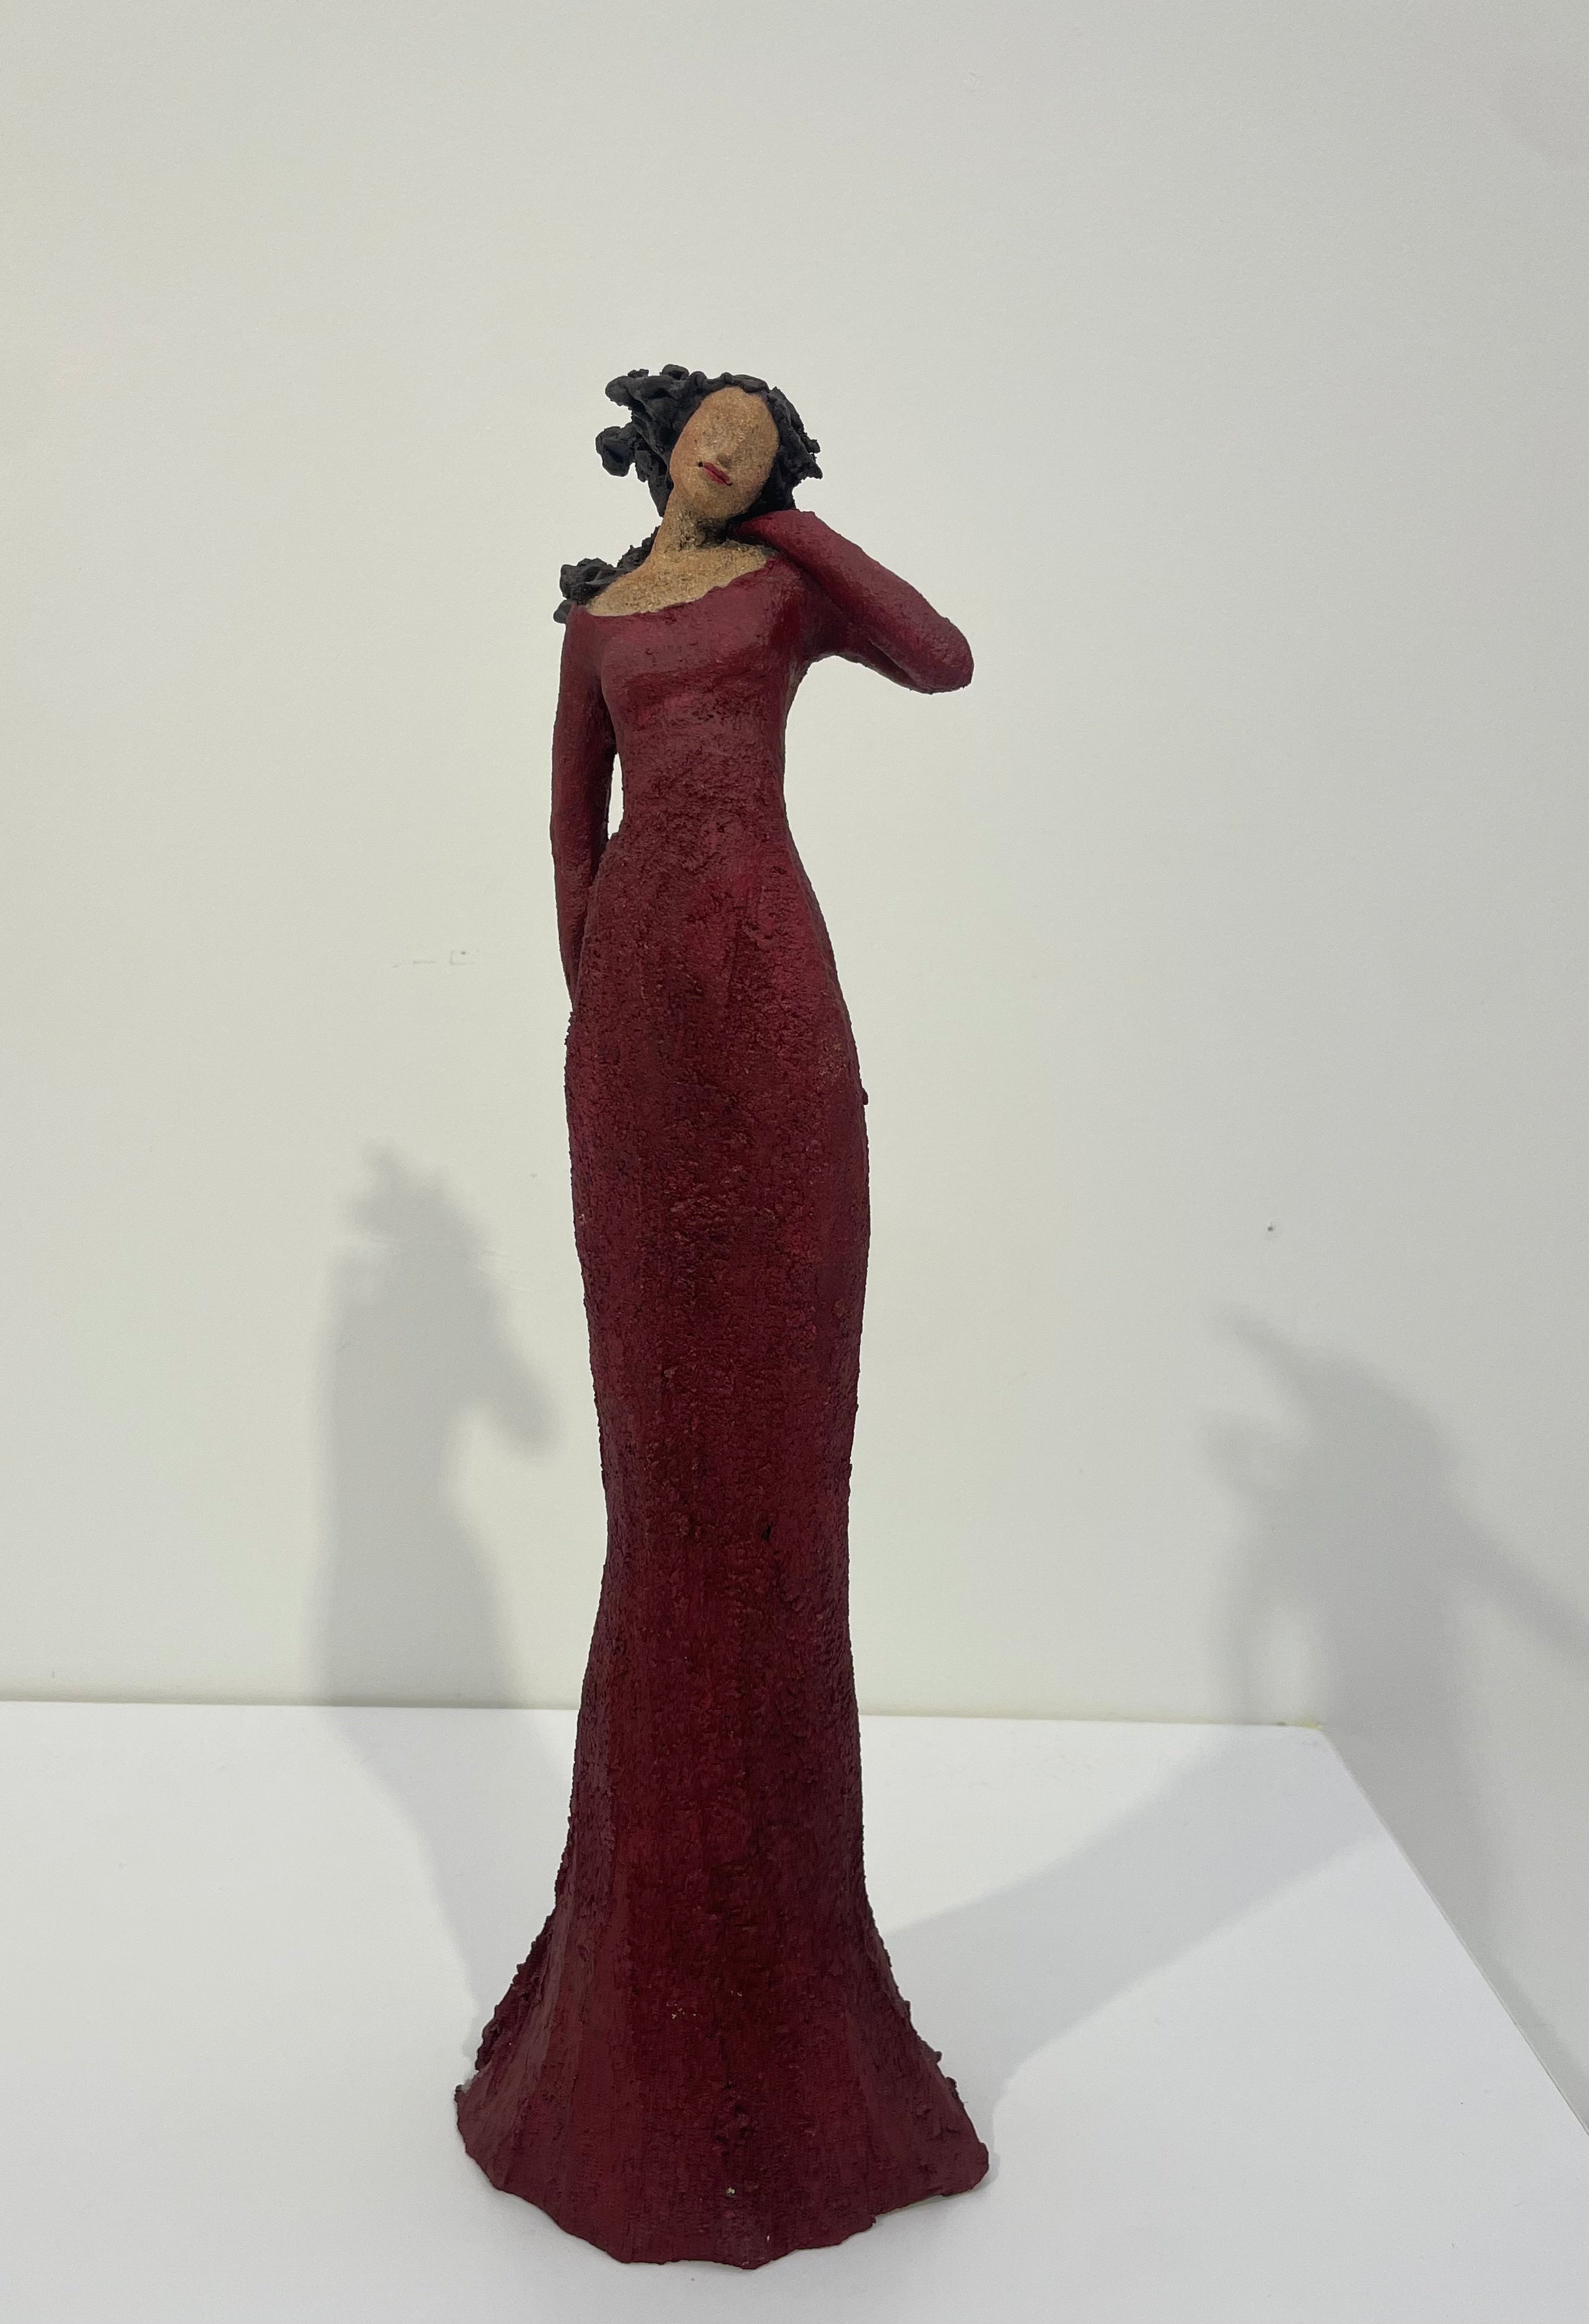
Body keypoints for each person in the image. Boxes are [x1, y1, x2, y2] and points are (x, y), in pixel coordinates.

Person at [455, 367, 987, 2267]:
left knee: (771, 1460)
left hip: (769, 989)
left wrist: (799, 531)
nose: (731, 458)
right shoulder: (599, 619)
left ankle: (787, 2003)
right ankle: (630, 2012)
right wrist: (592, 1007)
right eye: (716, 435)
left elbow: (939, 658)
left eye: (763, 450)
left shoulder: (780, 590)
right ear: (662, 436)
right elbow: (565, 834)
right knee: (656, 1472)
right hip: (635, 1031)